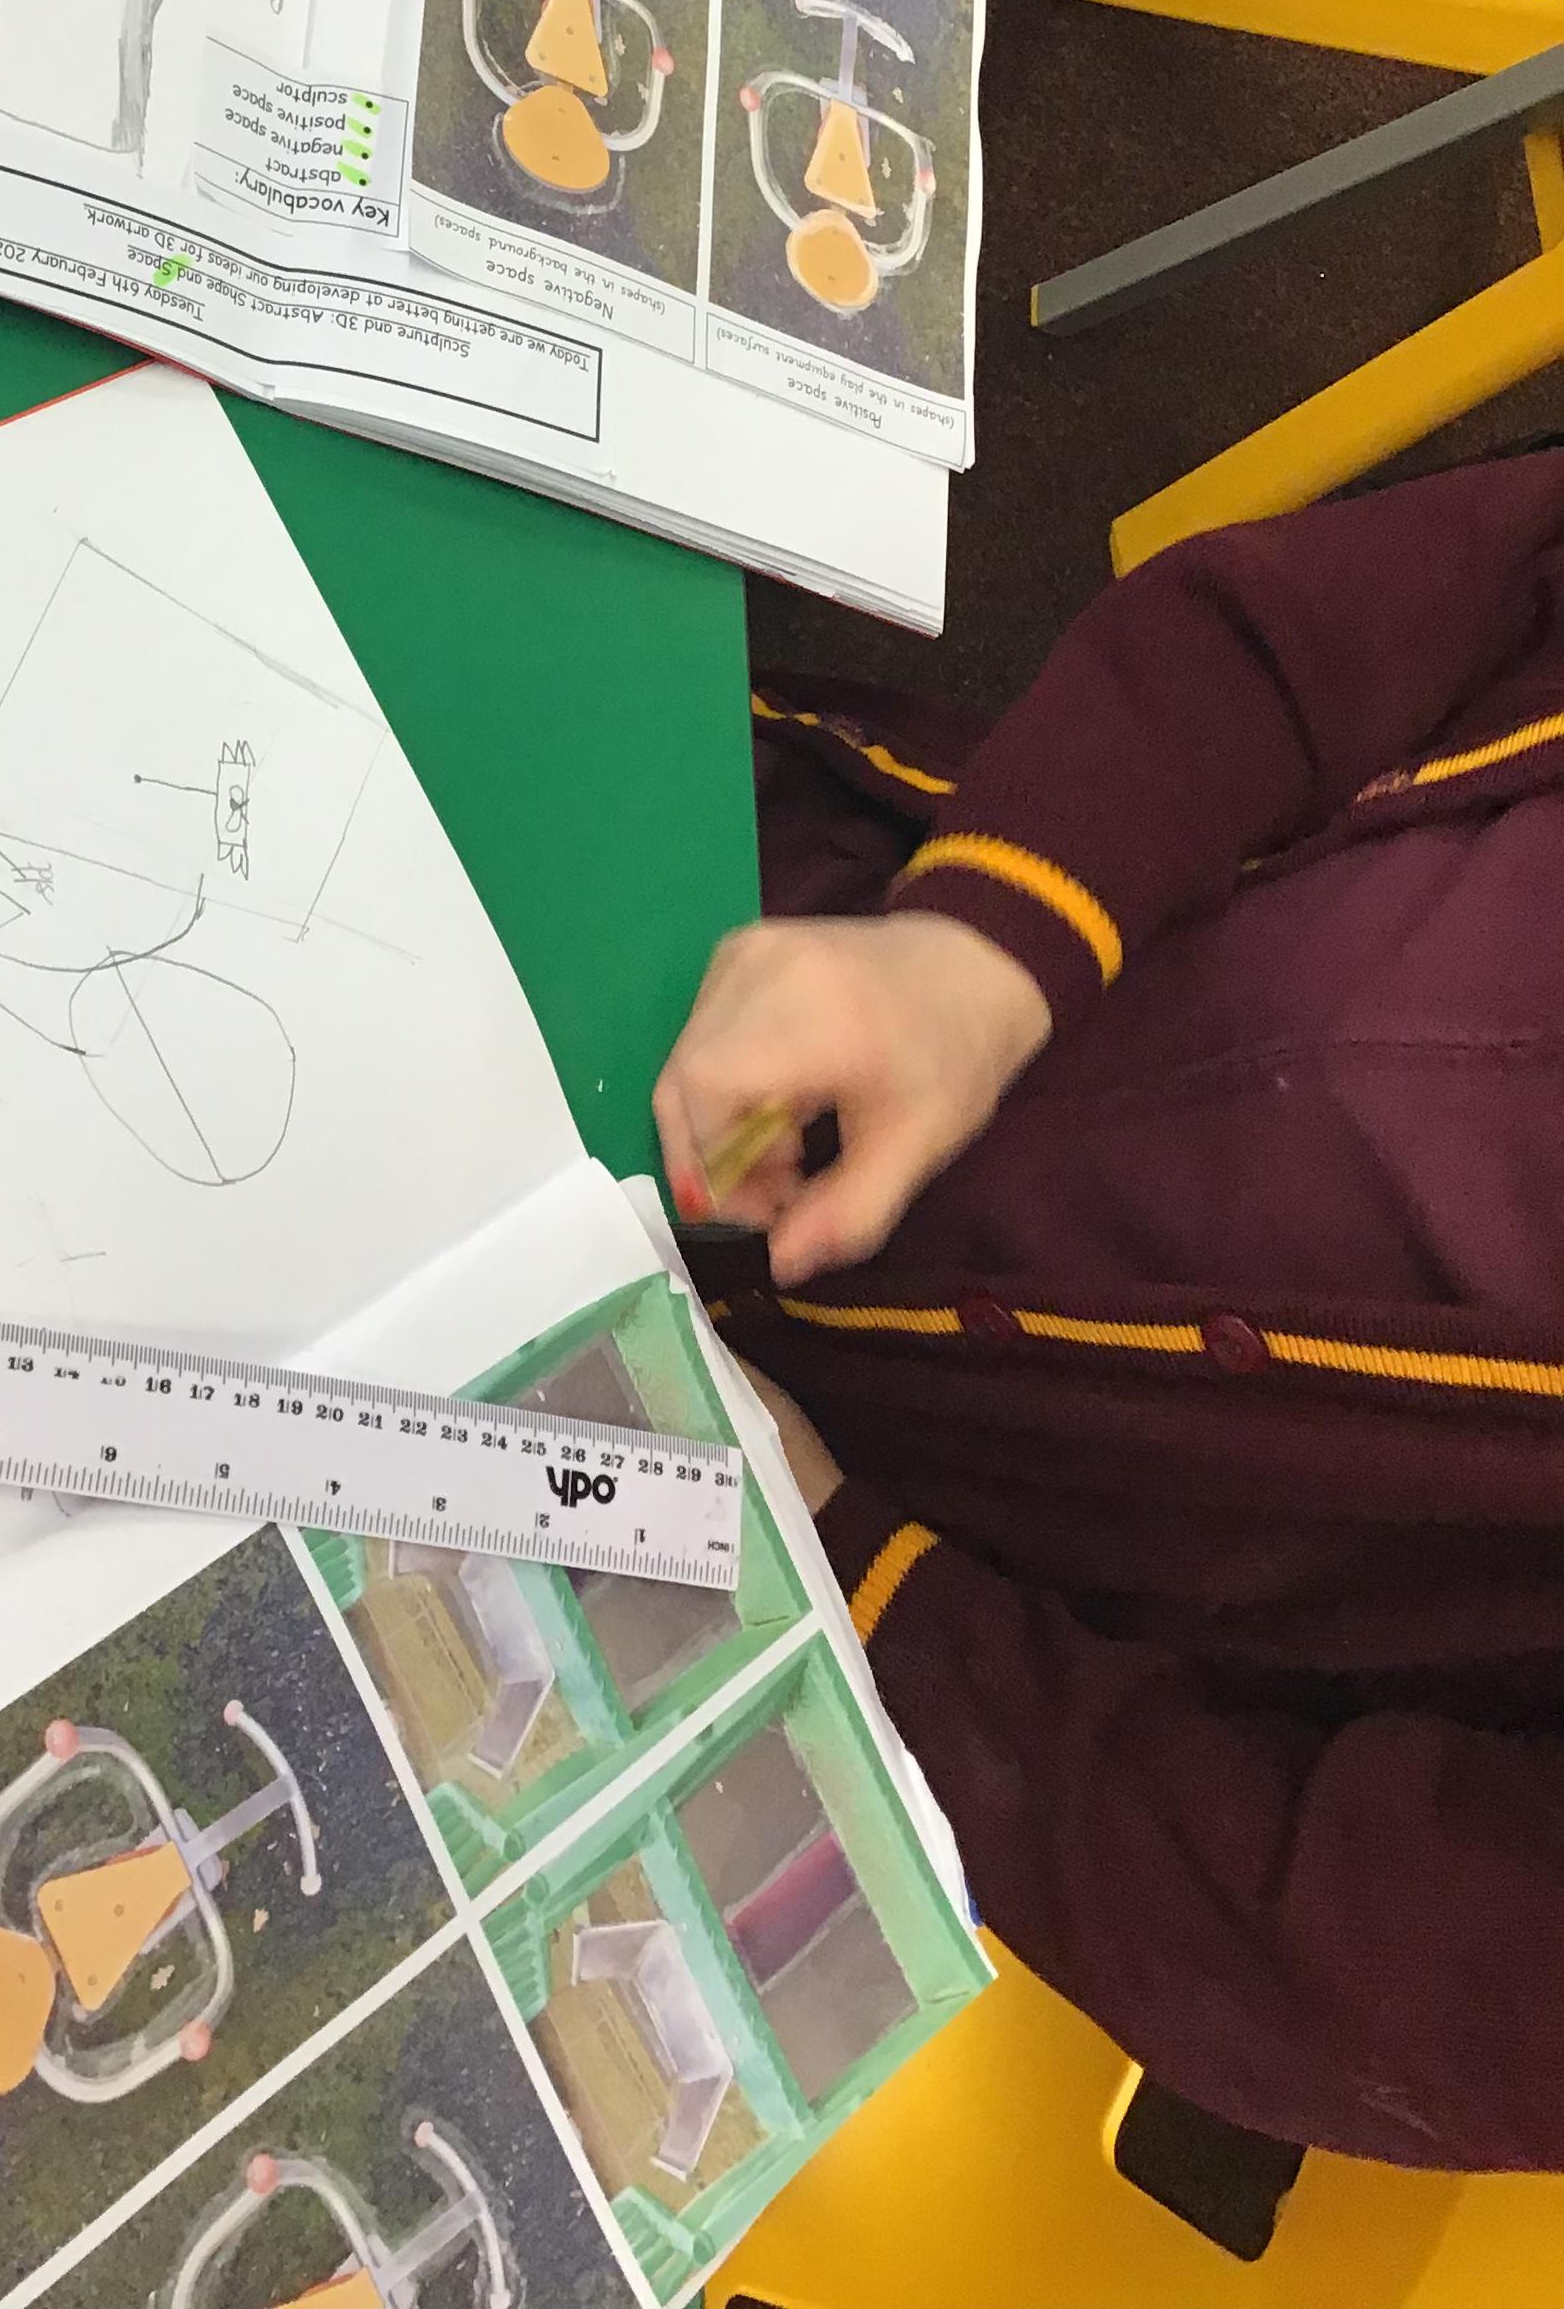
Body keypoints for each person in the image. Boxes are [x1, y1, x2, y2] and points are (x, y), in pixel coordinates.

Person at [653, 448, 1564, 2172]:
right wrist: (989, 943)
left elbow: (1325, 1960)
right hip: (815, 905)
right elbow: (1365, 614)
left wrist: (860, 1592)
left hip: (844, 1518)